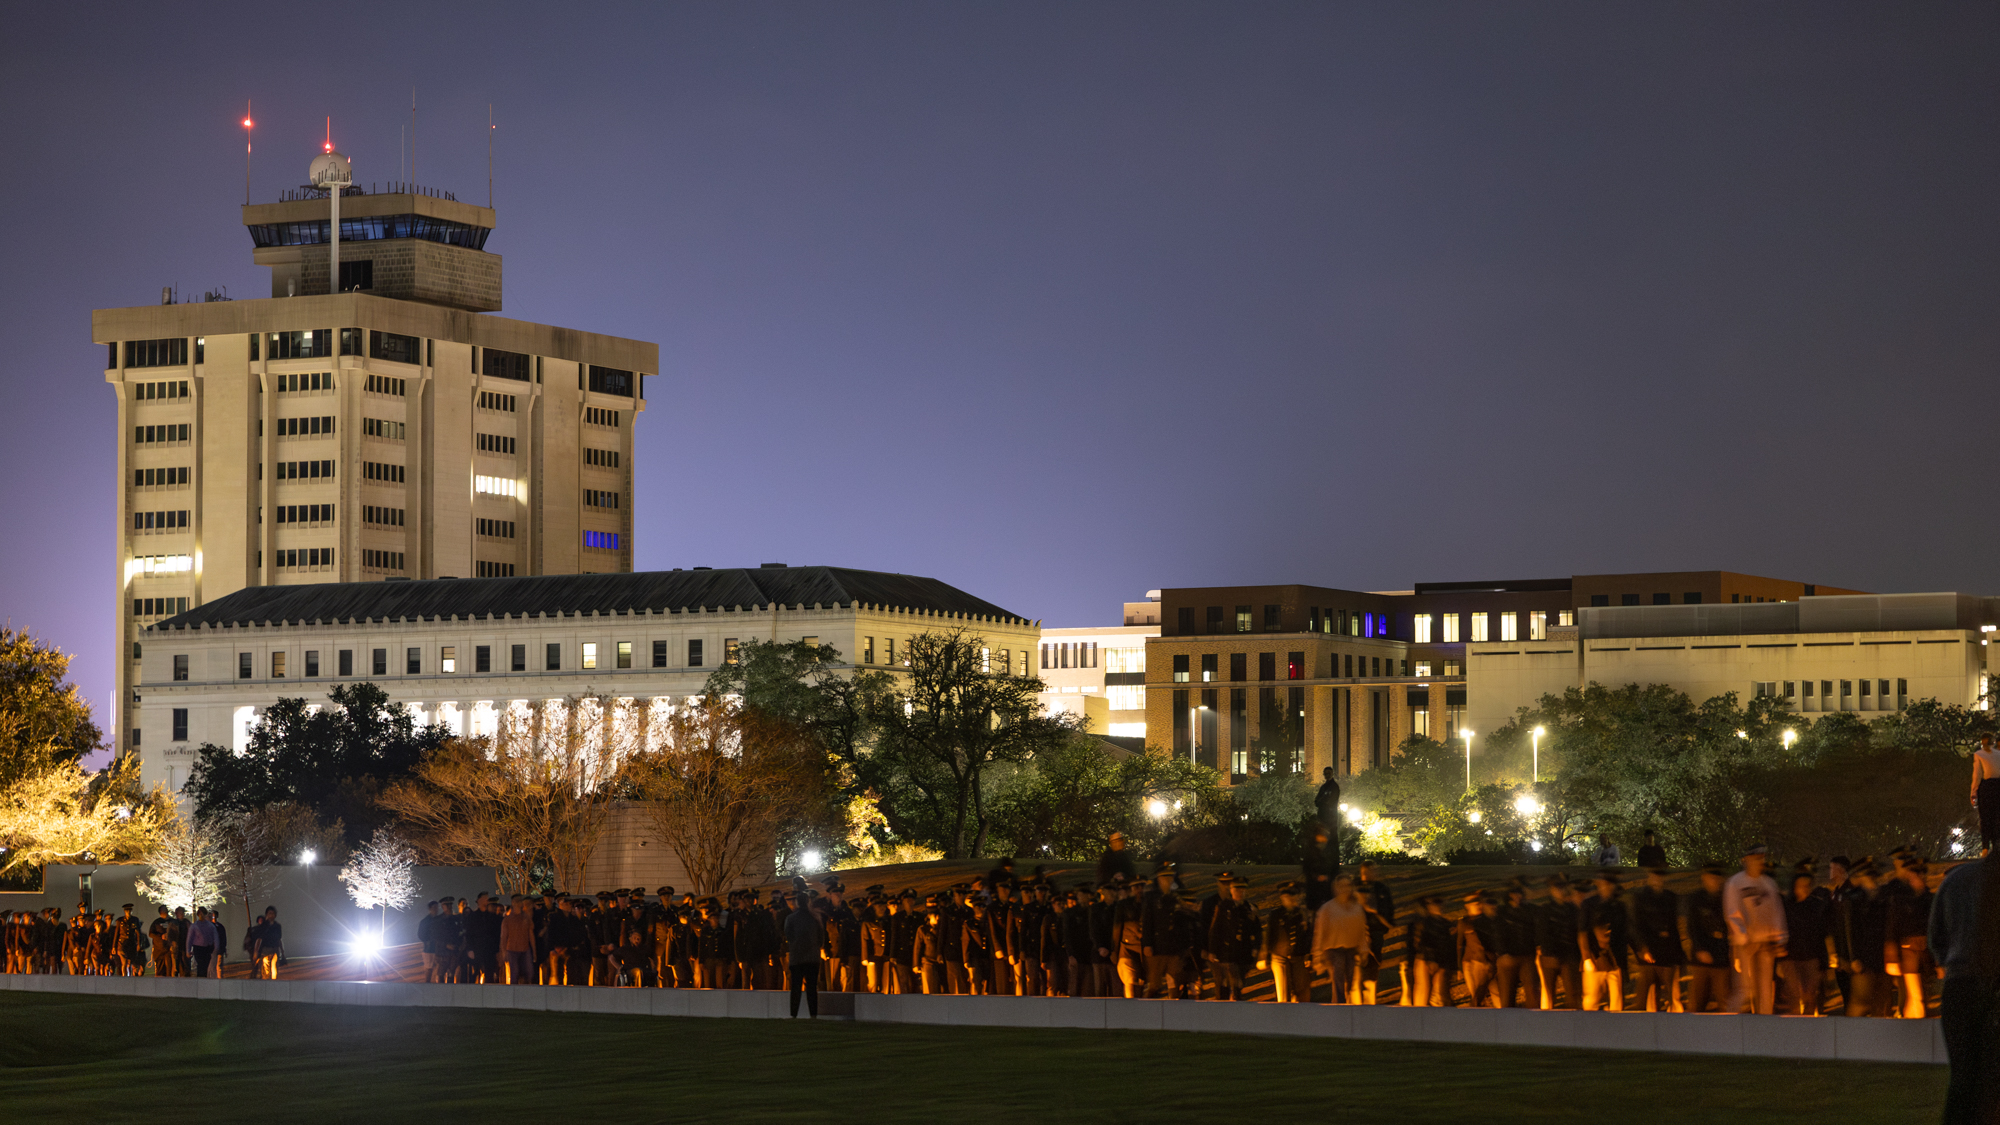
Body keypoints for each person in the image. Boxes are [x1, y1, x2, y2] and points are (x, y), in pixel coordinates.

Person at [1927, 847, 1994, 1125]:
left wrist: (1950, 961)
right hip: (1991, 985)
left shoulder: (1954, 880)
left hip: (1958, 984)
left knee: (1962, 1076)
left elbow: (1936, 936)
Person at [1723, 844, 1786, 1015]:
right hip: (1746, 944)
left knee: (1765, 991)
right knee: (1744, 989)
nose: (1760, 862)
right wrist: (1743, 938)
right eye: (1757, 859)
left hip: (1766, 943)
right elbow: (1732, 912)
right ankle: (1732, 1025)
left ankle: (1763, 1030)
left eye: (1762, 859)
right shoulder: (1736, 883)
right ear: (1748, 860)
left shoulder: (1768, 884)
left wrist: (1780, 938)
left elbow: (1777, 912)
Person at [1778, 863, 1831, 1016]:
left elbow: (1821, 934)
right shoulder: (1786, 907)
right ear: (1794, 886)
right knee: (1795, 996)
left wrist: (1823, 961)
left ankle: (1809, 1027)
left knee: (1810, 996)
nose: (1805, 889)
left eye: (1808, 885)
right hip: (1791, 958)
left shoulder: (1815, 906)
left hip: (1811, 958)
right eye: (1801, 885)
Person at [1629, 868, 1684, 1013]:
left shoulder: (1669, 897)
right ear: (1649, 877)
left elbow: (1673, 926)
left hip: (1667, 951)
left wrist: (1678, 953)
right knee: (1647, 995)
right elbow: (1637, 925)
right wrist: (1643, 948)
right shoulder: (1640, 898)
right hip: (1650, 951)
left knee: (1671, 993)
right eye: (1654, 876)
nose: (1657, 880)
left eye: (1660, 877)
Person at [1314, 874, 1368, 1004]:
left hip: (1350, 950)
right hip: (1333, 950)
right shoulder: (1327, 909)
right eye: (1342, 886)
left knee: (1349, 981)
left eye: (1348, 885)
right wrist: (1317, 956)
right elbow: (1319, 933)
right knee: (1339, 979)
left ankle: (1341, 1004)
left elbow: (1361, 930)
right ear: (1336, 888)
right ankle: (1340, 1004)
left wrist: (1364, 949)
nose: (1345, 889)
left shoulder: (1356, 908)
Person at [1258, 882, 1312, 1003]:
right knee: (1283, 993)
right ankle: (1283, 1018)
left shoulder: (1303, 914)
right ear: (1282, 897)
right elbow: (1269, 936)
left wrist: (1310, 956)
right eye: (1286, 896)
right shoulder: (1276, 914)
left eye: (1292, 895)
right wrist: (1264, 956)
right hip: (1279, 956)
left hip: (1298, 956)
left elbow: (1309, 935)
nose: (1289, 898)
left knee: (1301, 990)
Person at [1208, 873, 1259, 1001]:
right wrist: (1212, 950)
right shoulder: (1224, 906)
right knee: (1233, 981)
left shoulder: (1249, 908)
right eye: (1237, 889)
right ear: (1231, 890)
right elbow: (1216, 929)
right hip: (1227, 953)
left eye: (1242, 890)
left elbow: (1256, 930)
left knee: (1239, 982)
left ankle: (1234, 999)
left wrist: (1257, 948)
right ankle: (1231, 999)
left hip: (1244, 954)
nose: (1240, 892)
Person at [785, 892, 824, 1017]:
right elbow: (821, 939)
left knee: (795, 988)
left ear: (797, 902)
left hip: (796, 957)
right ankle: (813, 1014)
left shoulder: (791, 918)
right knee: (812, 988)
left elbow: (788, 936)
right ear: (808, 902)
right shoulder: (816, 917)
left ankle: (793, 1014)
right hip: (812, 958)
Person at [1972, 732, 2000, 850]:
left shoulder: (1980, 754)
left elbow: (1977, 775)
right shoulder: (1994, 754)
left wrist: (1973, 792)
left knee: (1986, 817)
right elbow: (1977, 774)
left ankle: (1987, 846)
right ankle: (1991, 845)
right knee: (1994, 817)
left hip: (1989, 786)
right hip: (1994, 785)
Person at [1303, 825, 1337, 912]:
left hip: (1327, 888)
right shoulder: (1311, 851)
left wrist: (1330, 877)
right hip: (1314, 889)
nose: (1325, 837)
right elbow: (1307, 869)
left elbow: (1334, 867)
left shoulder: (1329, 850)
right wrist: (1316, 876)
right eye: (1323, 835)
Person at [186, 907, 219, 979]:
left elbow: (215, 936)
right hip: (198, 948)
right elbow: (190, 938)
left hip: (207, 948)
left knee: (205, 966)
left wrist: (216, 948)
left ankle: (202, 979)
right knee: (201, 965)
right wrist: (188, 950)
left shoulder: (210, 926)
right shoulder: (195, 926)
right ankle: (201, 979)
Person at [252, 906, 282, 979]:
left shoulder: (277, 926)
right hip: (265, 950)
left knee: (274, 968)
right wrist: (256, 951)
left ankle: (273, 984)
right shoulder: (263, 926)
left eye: (273, 913)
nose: (271, 915)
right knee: (266, 970)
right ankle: (267, 984)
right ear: (266, 915)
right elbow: (259, 939)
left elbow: (279, 938)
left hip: (274, 949)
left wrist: (281, 951)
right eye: (269, 913)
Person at [1314, 766, 1343, 841]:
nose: (1327, 775)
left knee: (1331, 837)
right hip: (1323, 816)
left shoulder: (1334, 787)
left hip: (1331, 817)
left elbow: (1331, 801)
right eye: (1325, 773)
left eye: (1328, 773)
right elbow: (1316, 801)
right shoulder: (1323, 787)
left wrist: (1322, 802)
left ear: (1332, 774)